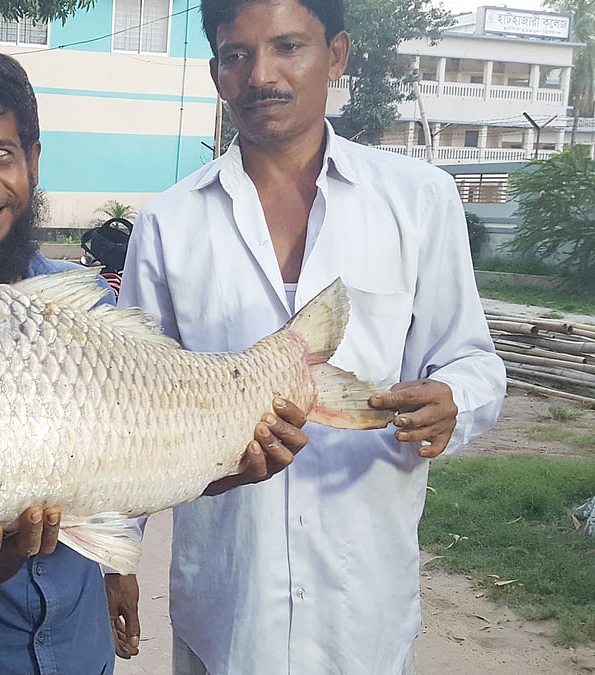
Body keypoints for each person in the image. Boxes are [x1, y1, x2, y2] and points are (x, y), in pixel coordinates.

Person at [0, 46, 308, 675]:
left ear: (32, 161)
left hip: (76, 653)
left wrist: (229, 465)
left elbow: (135, 464)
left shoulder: (83, 304)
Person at [117, 0, 507, 672]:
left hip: (364, 609)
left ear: (336, 57)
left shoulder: (417, 201)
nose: (260, 74)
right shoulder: (169, 226)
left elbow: (472, 358)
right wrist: (118, 552)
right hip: (227, 606)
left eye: (288, 47)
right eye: (236, 55)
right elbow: (129, 413)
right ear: (216, 73)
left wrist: (453, 400)